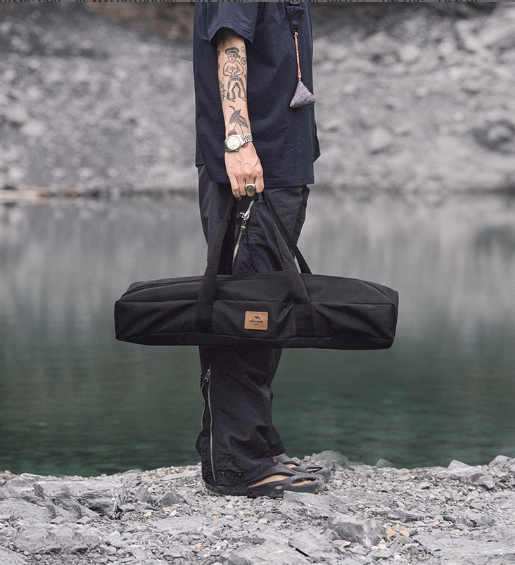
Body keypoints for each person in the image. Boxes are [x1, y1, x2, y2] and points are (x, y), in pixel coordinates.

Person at [192, 3, 328, 498]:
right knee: (245, 309)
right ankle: (235, 462)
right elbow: (230, 45)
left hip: (280, 165)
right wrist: (238, 142)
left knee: (264, 310)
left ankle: (255, 445)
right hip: (252, 168)